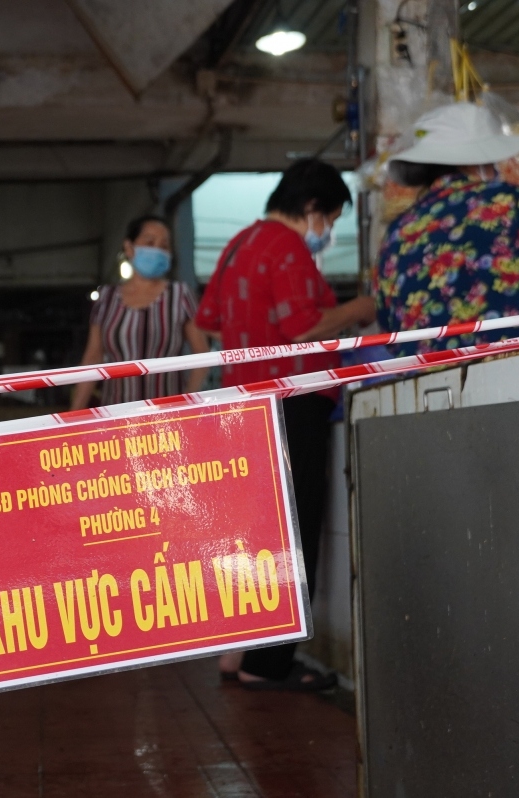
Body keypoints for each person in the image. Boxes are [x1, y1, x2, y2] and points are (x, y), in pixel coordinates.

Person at [196, 159, 375, 691]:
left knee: (253, 533)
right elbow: (304, 329)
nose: (329, 231)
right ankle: (268, 663)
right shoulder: (289, 247)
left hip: (243, 405)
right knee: (292, 531)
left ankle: (236, 654)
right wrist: (361, 307)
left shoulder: (238, 244)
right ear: (313, 208)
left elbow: (207, 320)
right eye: (332, 218)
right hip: (291, 402)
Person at [375, 102, 519, 356]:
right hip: (515, 364)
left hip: (423, 376)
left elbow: (387, 319)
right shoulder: (512, 202)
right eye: (493, 163)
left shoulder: (398, 231)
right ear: (476, 162)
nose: (496, 170)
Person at [70, 215, 209, 410]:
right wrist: (73, 416)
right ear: (129, 247)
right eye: (149, 242)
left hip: (168, 417)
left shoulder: (180, 295)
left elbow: (201, 355)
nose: (157, 250)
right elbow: (93, 358)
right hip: (116, 415)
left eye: (164, 246)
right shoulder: (106, 298)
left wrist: (187, 405)